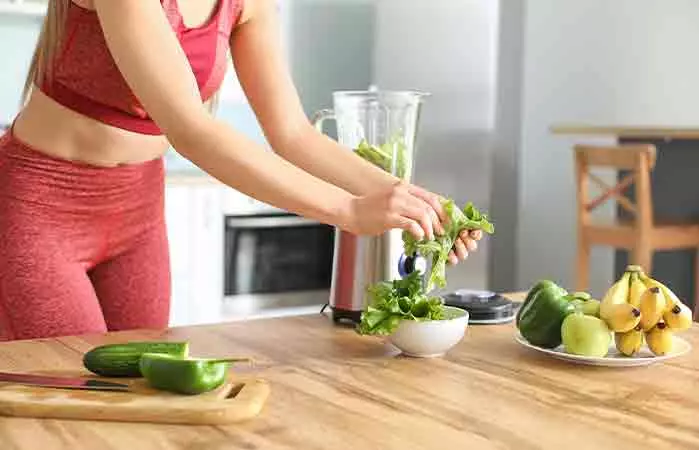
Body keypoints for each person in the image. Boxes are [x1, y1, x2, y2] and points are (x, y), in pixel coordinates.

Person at [0, 0, 483, 341]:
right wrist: (350, 210)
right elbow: (191, 129)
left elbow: (293, 133)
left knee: (140, 386)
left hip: (138, 212)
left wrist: (418, 202)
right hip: (39, 209)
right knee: (68, 391)